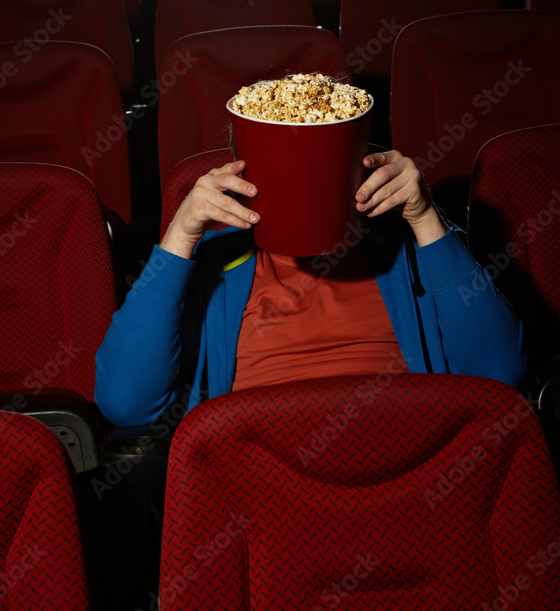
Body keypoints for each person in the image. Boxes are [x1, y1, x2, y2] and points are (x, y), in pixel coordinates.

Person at [95, 149, 527, 429]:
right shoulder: (212, 264)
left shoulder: (406, 248)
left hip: (408, 475)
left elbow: (498, 374)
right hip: (266, 489)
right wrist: (179, 238)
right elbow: (126, 401)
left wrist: (425, 218)